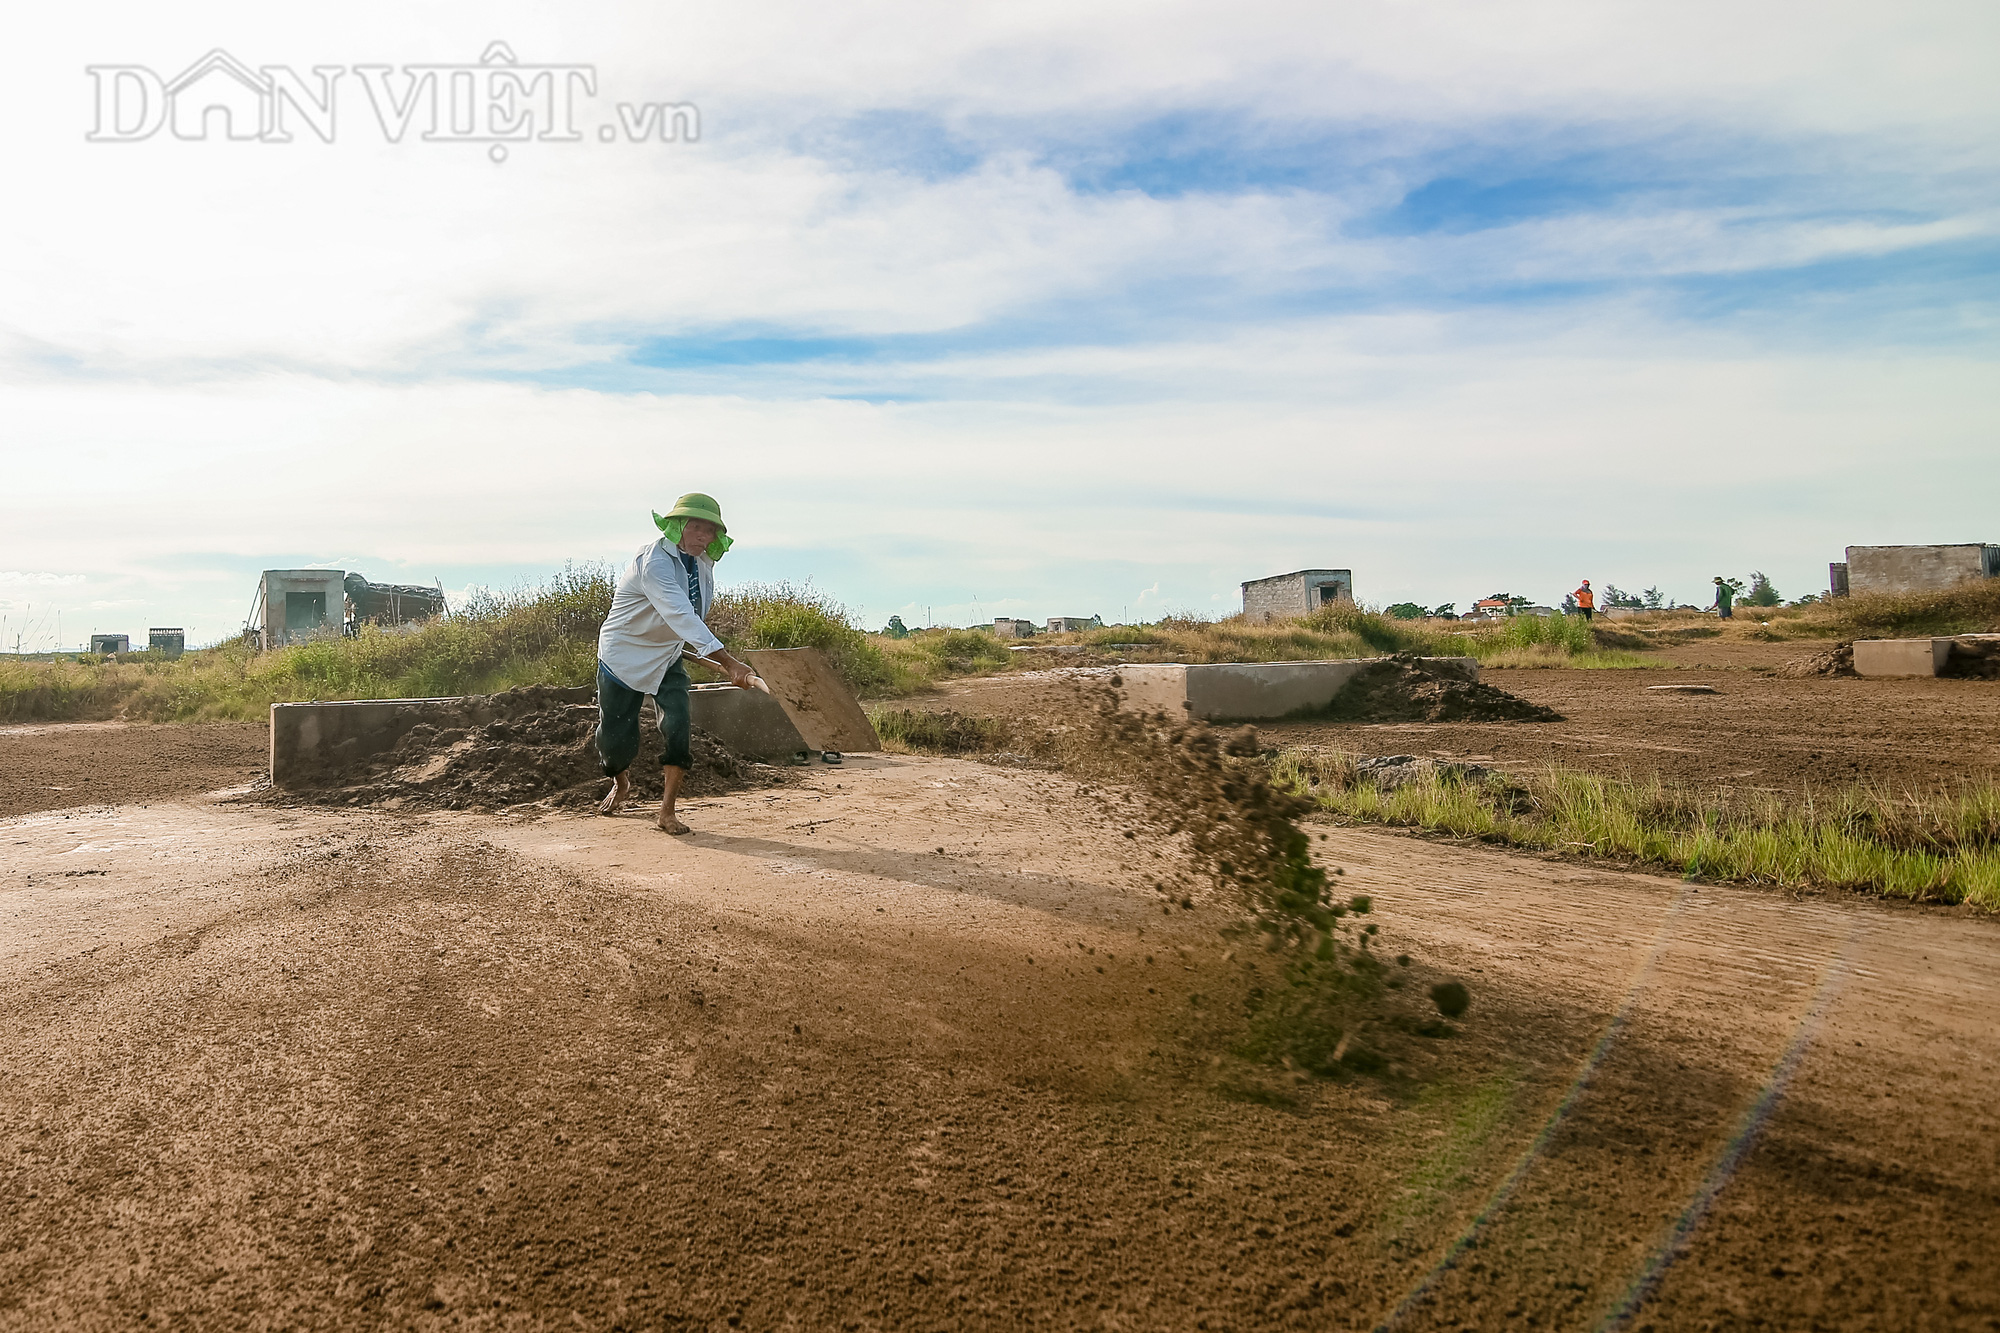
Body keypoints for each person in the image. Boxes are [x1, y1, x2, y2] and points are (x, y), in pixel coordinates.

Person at [595, 493, 759, 834]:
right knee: (615, 740)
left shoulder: (702, 565)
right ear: (678, 526)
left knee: (678, 726)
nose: (703, 536)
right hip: (623, 654)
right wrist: (729, 663)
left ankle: (666, 812)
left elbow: (691, 618)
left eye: (710, 531)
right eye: (696, 527)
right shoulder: (652, 561)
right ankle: (621, 781)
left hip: (667, 655)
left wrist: (710, 653)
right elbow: (681, 614)